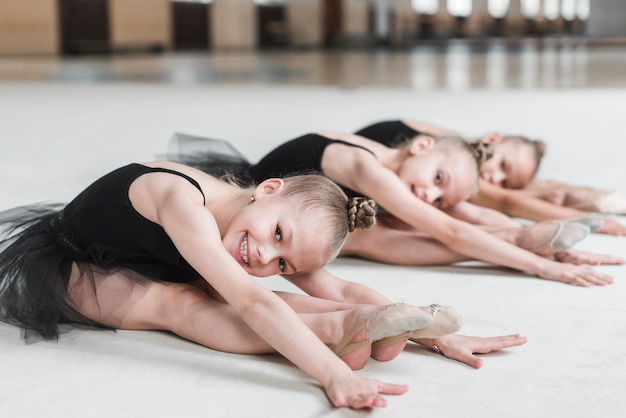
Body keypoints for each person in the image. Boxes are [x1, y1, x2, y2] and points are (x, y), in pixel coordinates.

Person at [1, 161, 475, 409]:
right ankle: (335, 334)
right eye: (278, 236)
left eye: (285, 262)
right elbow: (251, 302)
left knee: (247, 288)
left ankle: (364, 325)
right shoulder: (182, 200)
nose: (267, 255)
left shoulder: (258, 224)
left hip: (149, 258)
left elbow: (339, 286)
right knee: (185, 302)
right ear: (268, 189)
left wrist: (430, 333)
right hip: (75, 266)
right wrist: (335, 376)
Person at [166, 132, 620, 287]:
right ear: (421, 147)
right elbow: (452, 233)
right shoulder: (371, 168)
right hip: (287, 209)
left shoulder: (405, 169)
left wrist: (547, 243)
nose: (431, 196)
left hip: (317, 209)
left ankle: (529, 237)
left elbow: (462, 218)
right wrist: (541, 267)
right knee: (381, 234)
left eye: (440, 193)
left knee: (452, 217)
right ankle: (524, 242)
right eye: (437, 181)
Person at [354, 119, 626, 236]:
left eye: (506, 180)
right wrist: (584, 221)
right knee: (498, 199)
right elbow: (507, 203)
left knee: (511, 194)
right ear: (493, 139)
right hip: (371, 149)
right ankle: (596, 199)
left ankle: (585, 195)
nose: (495, 177)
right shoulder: (450, 154)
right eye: (502, 164)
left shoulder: (454, 157)